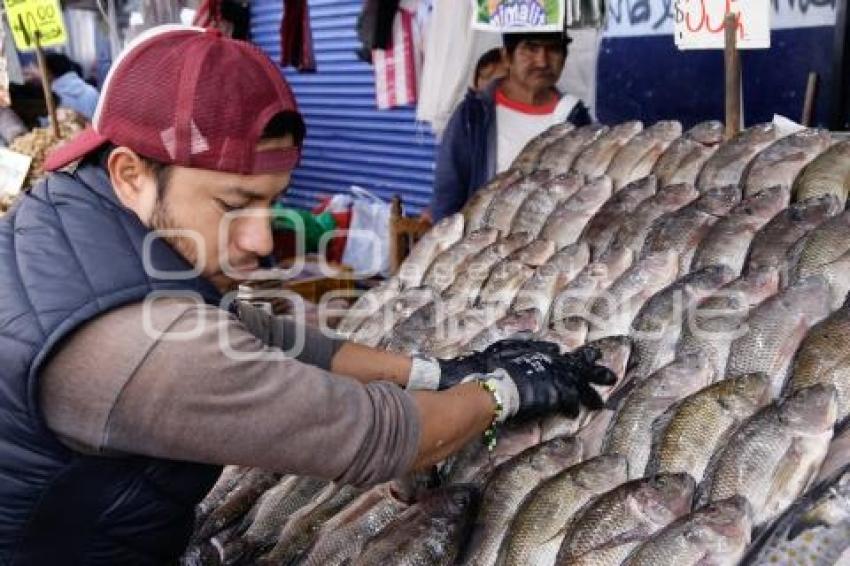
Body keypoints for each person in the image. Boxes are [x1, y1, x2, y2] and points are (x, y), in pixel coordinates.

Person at [0, 25, 615, 564]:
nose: (262, 239)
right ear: (131, 173)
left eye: (273, 202)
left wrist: (434, 372)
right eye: (234, 204)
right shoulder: (140, 345)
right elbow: (374, 436)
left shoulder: (71, 212)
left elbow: (256, 333)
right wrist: (503, 391)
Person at [431, 31, 593, 221]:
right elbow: (447, 199)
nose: (542, 61)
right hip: (483, 237)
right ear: (507, 56)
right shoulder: (474, 116)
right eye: (531, 48)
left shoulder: (575, 117)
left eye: (554, 49)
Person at [24, 52, 101, 121]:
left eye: (34, 69)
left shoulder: (52, 99)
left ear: (47, 72)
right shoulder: (92, 91)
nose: (29, 73)